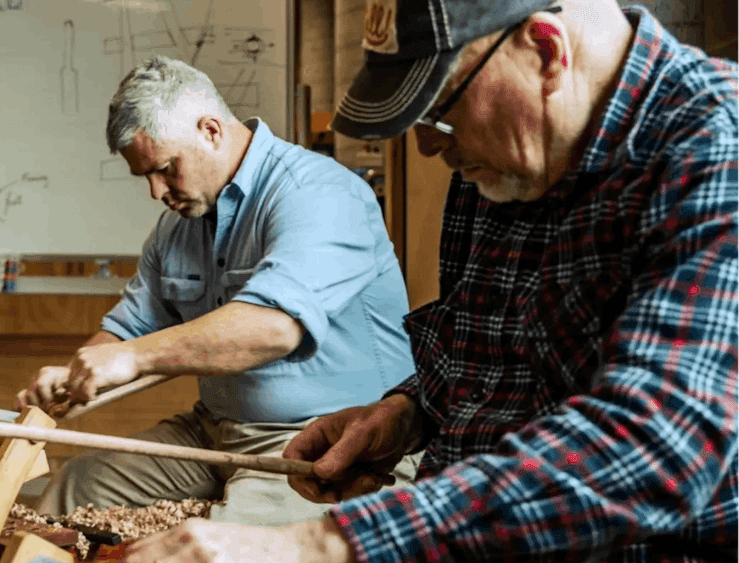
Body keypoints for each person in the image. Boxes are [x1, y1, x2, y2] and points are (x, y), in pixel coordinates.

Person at [119, 0, 739, 560]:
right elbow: (482, 351)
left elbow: (654, 444)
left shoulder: (716, 145)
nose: (424, 148)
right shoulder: (505, 158)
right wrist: (405, 413)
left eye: (439, 114)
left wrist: (321, 545)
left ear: (547, 51)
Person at [16, 55, 423, 526]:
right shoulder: (176, 228)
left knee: (229, 547)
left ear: (210, 130)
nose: (156, 191)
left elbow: (273, 328)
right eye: (145, 175)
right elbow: (131, 329)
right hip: (213, 432)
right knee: (75, 486)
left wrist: (133, 359)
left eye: (166, 168)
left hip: (329, 440)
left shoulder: (320, 192)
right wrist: (74, 376)